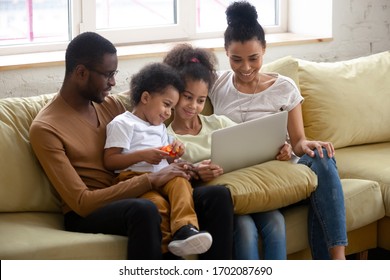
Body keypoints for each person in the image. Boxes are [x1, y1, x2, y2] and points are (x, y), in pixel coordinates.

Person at [29, 31, 233, 260]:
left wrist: (192, 168)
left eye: (114, 74)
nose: (114, 82)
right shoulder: (46, 129)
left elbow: (159, 91)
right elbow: (81, 203)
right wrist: (150, 179)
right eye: (107, 75)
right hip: (92, 209)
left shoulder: (110, 104)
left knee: (217, 195)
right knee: (145, 210)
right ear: (81, 72)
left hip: (138, 190)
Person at [209, 1, 348, 260]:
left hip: (281, 171)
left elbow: (298, 143)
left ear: (264, 50)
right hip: (242, 177)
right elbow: (180, 80)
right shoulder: (216, 84)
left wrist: (301, 146)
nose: (246, 68)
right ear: (225, 52)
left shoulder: (284, 87)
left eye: (254, 58)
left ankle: (337, 259)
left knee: (322, 156)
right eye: (235, 59)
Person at [163, 43, 286, 260]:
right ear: (173, 93)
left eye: (201, 100)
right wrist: (195, 171)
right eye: (187, 97)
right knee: (246, 229)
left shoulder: (218, 123)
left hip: (247, 191)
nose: (193, 106)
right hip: (220, 202)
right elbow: (170, 179)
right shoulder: (168, 138)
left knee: (276, 222)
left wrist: (283, 147)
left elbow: (253, 143)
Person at [103, 62, 212, 257]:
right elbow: (110, 161)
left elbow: (167, 158)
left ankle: (185, 229)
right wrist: (143, 155)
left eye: (171, 107)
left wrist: (175, 154)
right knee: (157, 206)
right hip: (134, 179)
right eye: (166, 105)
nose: (168, 113)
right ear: (145, 97)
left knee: (181, 182)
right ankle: (166, 250)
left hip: (164, 175)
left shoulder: (160, 127)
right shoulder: (123, 123)